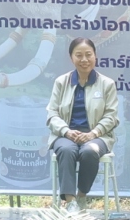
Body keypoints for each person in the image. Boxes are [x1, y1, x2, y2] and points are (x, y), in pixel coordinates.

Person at [47, 37, 119, 208]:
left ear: (95, 56)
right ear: (71, 57)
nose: (84, 60)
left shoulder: (107, 84)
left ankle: (81, 196)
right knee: (66, 150)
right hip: (66, 135)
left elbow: (111, 116)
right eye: (79, 55)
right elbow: (52, 114)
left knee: (89, 151)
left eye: (88, 54)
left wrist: (93, 134)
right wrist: (66, 131)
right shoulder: (61, 82)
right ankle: (70, 202)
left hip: (97, 136)